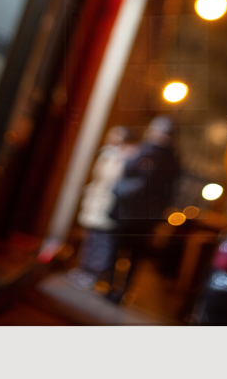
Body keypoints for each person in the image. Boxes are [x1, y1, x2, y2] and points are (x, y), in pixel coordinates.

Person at [108, 116, 181, 306]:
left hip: (135, 213)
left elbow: (142, 182)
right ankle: (117, 288)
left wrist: (117, 190)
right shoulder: (165, 157)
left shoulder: (154, 154)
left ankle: (118, 289)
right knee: (123, 251)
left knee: (126, 251)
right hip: (139, 214)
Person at [74, 130, 133, 288]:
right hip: (97, 201)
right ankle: (84, 268)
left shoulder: (123, 156)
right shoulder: (108, 153)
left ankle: (94, 273)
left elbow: (113, 178)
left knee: (102, 240)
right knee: (91, 237)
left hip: (108, 203)